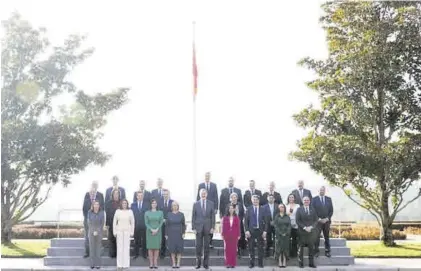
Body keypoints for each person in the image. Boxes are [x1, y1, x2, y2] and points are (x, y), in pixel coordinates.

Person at [192, 189, 215, 269]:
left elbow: (213, 217)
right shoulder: (195, 204)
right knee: (198, 246)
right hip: (198, 228)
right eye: (202, 193)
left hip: (208, 228)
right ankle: (198, 263)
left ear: (207, 194)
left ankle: (206, 264)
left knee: (206, 246)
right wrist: (193, 228)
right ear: (199, 194)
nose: (203, 194)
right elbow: (193, 216)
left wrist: (212, 227)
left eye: (204, 193)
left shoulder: (211, 203)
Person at [196, 172, 218, 248]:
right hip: (202, 207)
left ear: (210, 177)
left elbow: (216, 197)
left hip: (210, 208)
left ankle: (210, 242)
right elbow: (198, 197)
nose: (207, 177)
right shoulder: (200, 185)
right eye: (206, 176)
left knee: (210, 224)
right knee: (202, 225)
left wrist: (216, 208)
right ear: (204, 177)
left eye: (208, 176)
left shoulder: (214, 185)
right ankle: (202, 242)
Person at [244, 195, 267, 268]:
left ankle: (260, 263)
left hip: (260, 231)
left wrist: (265, 231)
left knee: (260, 248)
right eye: (254, 199)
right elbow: (245, 221)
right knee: (251, 247)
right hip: (251, 231)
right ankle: (252, 263)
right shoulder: (248, 209)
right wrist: (246, 230)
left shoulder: (263, 209)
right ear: (251, 200)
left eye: (257, 199)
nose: (255, 201)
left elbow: (266, 221)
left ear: (259, 201)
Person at [83, 181, 104, 258]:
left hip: (98, 220)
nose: (94, 187)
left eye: (96, 185)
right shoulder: (87, 195)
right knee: (87, 236)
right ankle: (87, 252)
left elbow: (102, 208)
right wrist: (87, 218)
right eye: (93, 185)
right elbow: (84, 208)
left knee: (98, 236)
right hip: (88, 220)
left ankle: (97, 252)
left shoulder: (100, 195)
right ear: (91, 186)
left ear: (97, 186)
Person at [296, 196, 318, 268]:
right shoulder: (299, 209)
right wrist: (305, 228)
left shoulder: (313, 209)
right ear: (302, 201)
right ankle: (301, 263)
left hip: (311, 232)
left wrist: (311, 227)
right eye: (305, 200)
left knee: (311, 248)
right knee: (300, 249)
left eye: (307, 200)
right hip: (302, 232)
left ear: (309, 201)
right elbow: (298, 221)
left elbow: (316, 220)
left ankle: (311, 263)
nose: (306, 201)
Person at [311, 186, 333, 258]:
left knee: (326, 236)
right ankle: (316, 251)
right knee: (316, 237)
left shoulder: (329, 199)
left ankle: (327, 251)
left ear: (325, 191)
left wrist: (327, 218)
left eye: (323, 190)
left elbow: (331, 211)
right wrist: (318, 219)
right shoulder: (314, 199)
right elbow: (312, 210)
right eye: (320, 190)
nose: (322, 191)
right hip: (317, 222)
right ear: (318, 191)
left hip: (327, 221)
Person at [113, 199, 135, 271]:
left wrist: (132, 232)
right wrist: (115, 232)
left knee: (126, 248)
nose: (124, 204)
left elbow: (132, 223)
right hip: (119, 232)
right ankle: (119, 265)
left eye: (125, 203)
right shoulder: (117, 211)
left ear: (127, 204)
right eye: (123, 203)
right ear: (121, 204)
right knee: (119, 249)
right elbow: (114, 222)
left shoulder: (130, 211)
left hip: (127, 232)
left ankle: (125, 265)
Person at [165, 201, 186, 268]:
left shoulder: (181, 214)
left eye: (176, 205)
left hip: (179, 234)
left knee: (179, 249)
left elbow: (183, 225)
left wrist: (183, 233)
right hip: (171, 234)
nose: (175, 206)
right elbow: (167, 225)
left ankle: (178, 263)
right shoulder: (168, 214)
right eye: (173, 205)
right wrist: (166, 234)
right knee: (172, 249)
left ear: (178, 206)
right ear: (171, 207)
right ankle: (174, 263)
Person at [145, 199, 164, 269]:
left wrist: (156, 229)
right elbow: (146, 223)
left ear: (157, 204)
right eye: (153, 203)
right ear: (151, 204)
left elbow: (161, 222)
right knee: (150, 247)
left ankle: (155, 262)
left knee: (156, 247)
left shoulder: (160, 212)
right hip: (149, 232)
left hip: (158, 231)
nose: (154, 204)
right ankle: (151, 263)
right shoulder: (147, 213)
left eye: (155, 203)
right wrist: (151, 229)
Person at [131, 191, 150, 259]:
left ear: (143, 196)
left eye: (141, 195)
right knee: (136, 240)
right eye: (139, 195)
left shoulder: (147, 204)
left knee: (144, 240)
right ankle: (136, 254)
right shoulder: (133, 205)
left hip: (144, 225)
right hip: (136, 225)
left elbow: (148, 215)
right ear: (136, 196)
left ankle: (144, 254)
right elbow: (131, 216)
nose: (140, 197)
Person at [88, 200, 105, 269]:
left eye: (98, 204)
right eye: (95, 204)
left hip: (99, 232)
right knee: (92, 249)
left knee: (98, 249)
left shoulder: (102, 213)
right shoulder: (89, 212)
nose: (96, 206)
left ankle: (98, 264)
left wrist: (97, 231)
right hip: (91, 232)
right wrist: (93, 231)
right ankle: (92, 264)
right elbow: (89, 223)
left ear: (99, 206)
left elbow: (102, 223)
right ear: (93, 205)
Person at [228, 192, 245, 257]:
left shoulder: (240, 205)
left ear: (237, 198)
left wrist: (240, 219)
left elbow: (243, 213)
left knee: (239, 237)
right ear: (231, 198)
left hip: (239, 223)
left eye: (235, 197)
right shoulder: (228, 205)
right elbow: (226, 214)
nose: (234, 199)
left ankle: (239, 251)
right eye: (233, 197)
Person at [274, 204, 291, 268]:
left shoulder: (287, 216)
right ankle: (279, 261)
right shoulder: (276, 216)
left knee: (285, 247)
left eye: (283, 207)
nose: (282, 208)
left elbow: (289, 225)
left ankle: (284, 260)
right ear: (278, 208)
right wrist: (281, 233)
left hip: (286, 235)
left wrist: (286, 233)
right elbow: (275, 226)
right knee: (279, 248)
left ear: (284, 208)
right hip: (279, 235)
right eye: (280, 207)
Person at [105, 189, 121, 258]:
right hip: (111, 224)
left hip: (120, 225)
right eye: (115, 194)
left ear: (119, 195)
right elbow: (107, 214)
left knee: (119, 240)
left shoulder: (122, 202)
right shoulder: (108, 203)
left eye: (117, 194)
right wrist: (107, 224)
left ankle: (118, 254)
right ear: (112, 195)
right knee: (111, 239)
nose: (116, 195)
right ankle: (112, 254)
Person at [158, 189, 173, 258]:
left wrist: (168, 219)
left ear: (169, 194)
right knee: (162, 238)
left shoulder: (172, 202)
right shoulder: (159, 202)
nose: (165, 195)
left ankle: (171, 253)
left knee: (170, 238)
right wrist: (162, 219)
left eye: (166, 194)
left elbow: (174, 212)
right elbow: (158, 212)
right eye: (164, 194)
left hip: (170, 223)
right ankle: (162, 253)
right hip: (162, 223)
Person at [286, 194, 300, 258]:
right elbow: (285, 216)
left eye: (292, 197)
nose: (291, 198)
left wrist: (296, 223)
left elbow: (299, 215)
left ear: (294, 198)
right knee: (288, 240)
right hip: (288, 225)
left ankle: (294, 253)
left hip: (295, 224)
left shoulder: (297, 206)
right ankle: (288, 253)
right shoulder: (286, 206)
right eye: (290, 197)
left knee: (294, 239)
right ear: (288, 198)